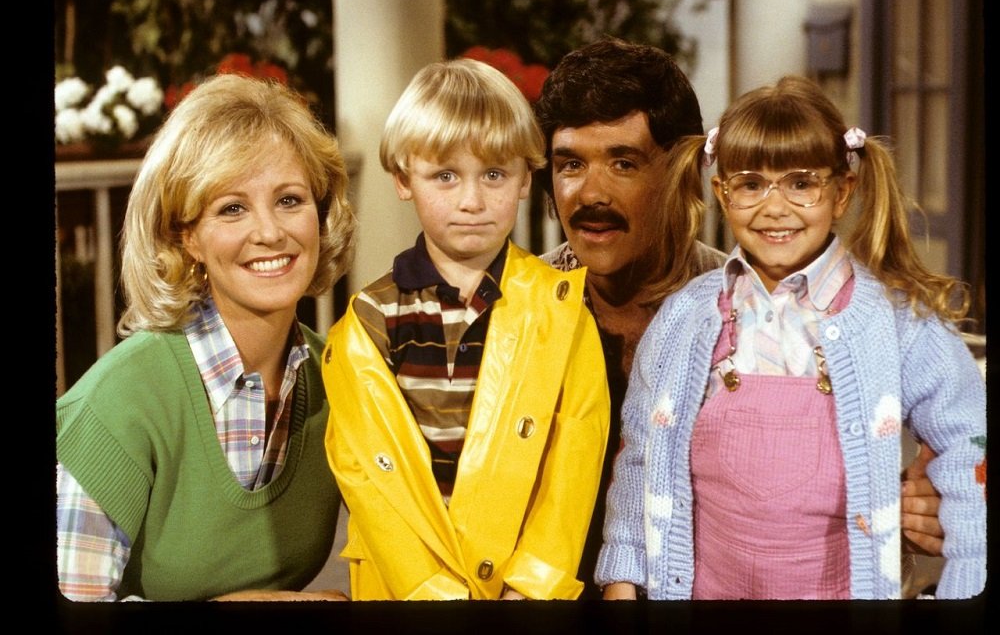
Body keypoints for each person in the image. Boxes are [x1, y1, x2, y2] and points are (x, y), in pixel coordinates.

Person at [533, 37, 950, 595]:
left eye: (624, 163)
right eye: (570, 165)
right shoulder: (520, 312)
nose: (591, 193)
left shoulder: (731, 310)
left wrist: (928, 502)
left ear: (681, 175)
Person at [55, 74, 355, 602]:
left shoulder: (341, 379)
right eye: (232, 208)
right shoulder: (117, 404)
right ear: (184, 235)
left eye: (289, 200)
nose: (270, 232)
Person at [321, 58, 610, 601]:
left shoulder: (562, 307)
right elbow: (365, 471)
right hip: (402, 582)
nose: (472, 201)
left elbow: (573, 455)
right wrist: (431, 591)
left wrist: (533, 584)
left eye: (494, 174)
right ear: (405, 179)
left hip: (517, 589)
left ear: (527, 177)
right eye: (445, 175)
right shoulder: (370, 319)